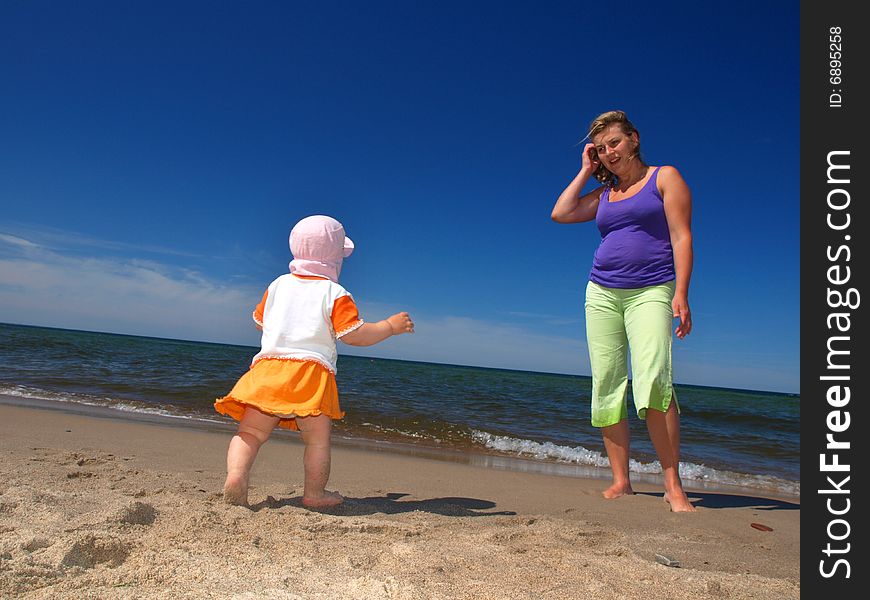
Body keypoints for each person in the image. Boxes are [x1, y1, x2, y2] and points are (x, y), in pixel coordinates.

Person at [214, 215, 414, 508]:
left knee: (250, 433)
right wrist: (389, 326)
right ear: (335, 258)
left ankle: (236, 476)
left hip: (267, 368)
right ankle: (315, 494)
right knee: (317, 442)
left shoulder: (277, 285)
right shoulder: (335, 293)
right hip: (310, 373)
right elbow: (354, 335)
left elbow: (260, 323)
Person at [551, 110, 696, 512]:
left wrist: (680, 293)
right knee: (608, 383)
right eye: (600, 149)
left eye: (613, 143)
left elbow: (682, 237)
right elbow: (560, 213)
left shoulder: (664, 177)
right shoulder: (605, 195)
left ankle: (672, 485)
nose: (609, 152)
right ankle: (621, 481)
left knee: (653, 382)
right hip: (601, 293)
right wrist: (585, 170)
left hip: (652, 289)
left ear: (633, 139)